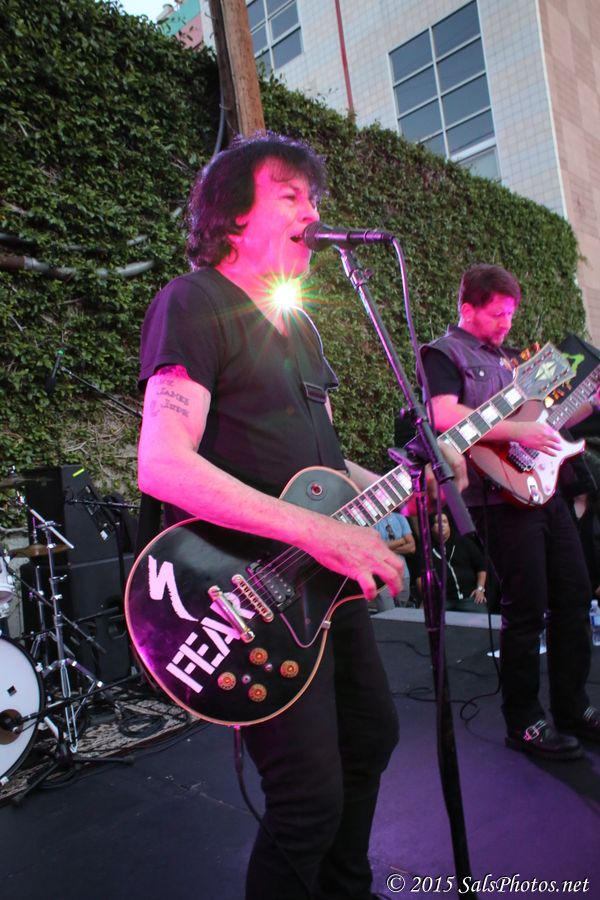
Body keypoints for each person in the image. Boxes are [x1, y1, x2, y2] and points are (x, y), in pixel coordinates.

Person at [136, 133, 465, 900]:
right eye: (290, 196)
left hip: (320, 585)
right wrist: (320, 530)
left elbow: (322, 467)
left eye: (313, 198)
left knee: (371, 737)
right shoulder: (194, 301)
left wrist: (403, 486)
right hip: (246, 594)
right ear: (232, 216)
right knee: (307, 797)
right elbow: (163, 462)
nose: (312, 212)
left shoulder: (301, 326)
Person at [420, 263, 600, 761]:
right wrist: (520, 432)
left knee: (574, 596)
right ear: (468, 308)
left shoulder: (515, 360)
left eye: (511, 314)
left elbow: (548, 420)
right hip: (497, 497)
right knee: (526, 608)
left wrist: (589, 402)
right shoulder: (444, 352)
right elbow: (443, 414)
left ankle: (573, 707)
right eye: (497, 314)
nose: (506, 323)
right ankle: (524, 721)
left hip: (544, 490)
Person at [416, 512, 487, 613]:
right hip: (442, 600)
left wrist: (480, 589)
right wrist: (428, 597)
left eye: (445, 521)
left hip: (469, 597)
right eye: (437, 522)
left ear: (449, 525)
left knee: (482, 620)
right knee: (423, 616)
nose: (442, 525)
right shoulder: (425, 549)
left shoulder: (464, 542)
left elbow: (481, 567)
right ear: (431, 527)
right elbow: (419, 578)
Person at [372, 511, 416, 610]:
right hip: (382, 577)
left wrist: (386, 549)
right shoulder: (372, 522)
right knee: (387, 613)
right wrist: (402, 540)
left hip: (403, 574)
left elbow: (412, 547)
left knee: (402, 612)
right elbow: (376, 547)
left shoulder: (400, 517)